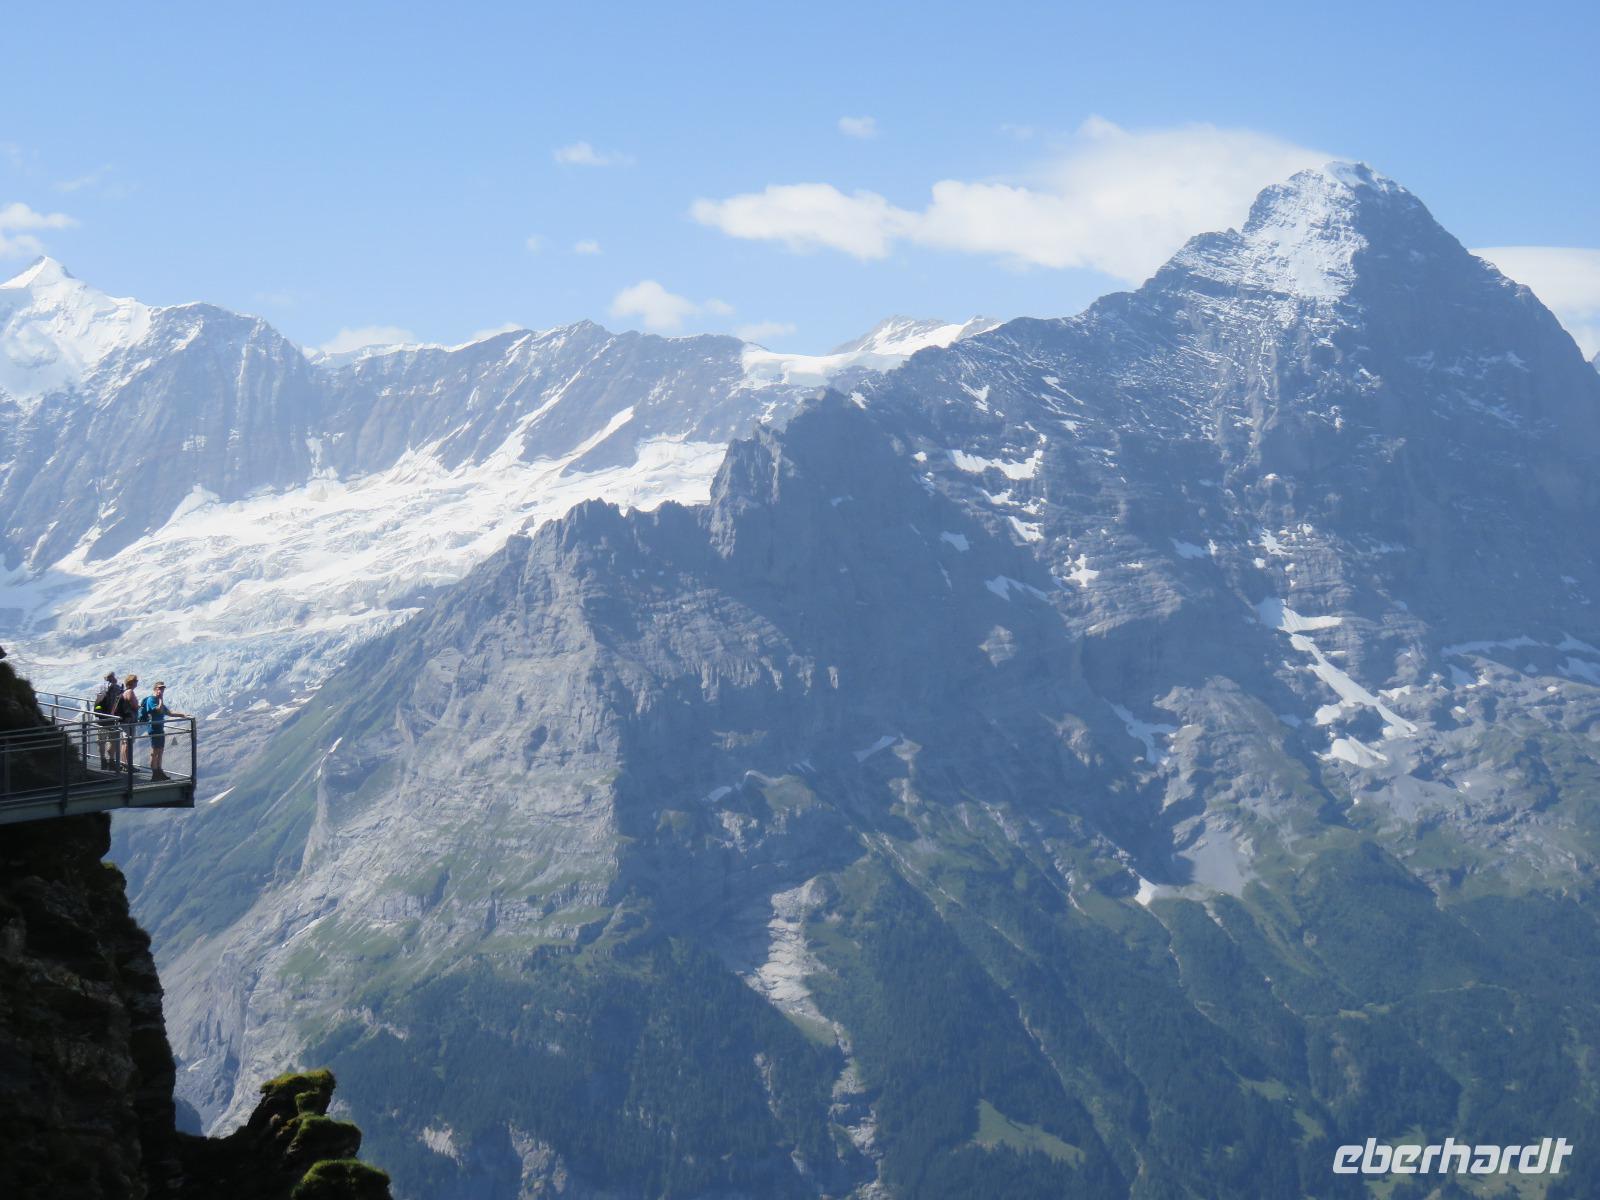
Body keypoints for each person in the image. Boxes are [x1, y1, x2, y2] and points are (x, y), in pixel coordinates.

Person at [139, 682, 187, 781]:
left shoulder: (158, 700)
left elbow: (169, 713)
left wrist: (183, 715)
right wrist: (160, 699)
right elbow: (158, 710)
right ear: (155, 689)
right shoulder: (151, 700)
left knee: (160, 751)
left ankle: (159, 771)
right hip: (154, 728)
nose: (161, 691)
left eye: (162, 689)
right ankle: (154, 773)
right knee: (155, 751)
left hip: (160, 728)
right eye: (159, 688)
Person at [92, 670, 122, 769]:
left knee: (101, 741)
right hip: (111, 718)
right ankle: (111, 761)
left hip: (101, 718)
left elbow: (97, 702)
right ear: (112, 678)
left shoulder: (100, 687)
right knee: (112, 740)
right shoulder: (116, 688)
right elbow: (120, 699)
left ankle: (103, 760)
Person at [115, 674, 140, 771]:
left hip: (123, 720)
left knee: (124, 742)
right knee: (128, 742)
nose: (137, 682)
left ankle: (123, 763)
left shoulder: (124, 692)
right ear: (131, 682)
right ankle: (128, 765)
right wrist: (137, 705)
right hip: (129, 721)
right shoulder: (130, 692)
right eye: (135, 681)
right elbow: (134, 705)